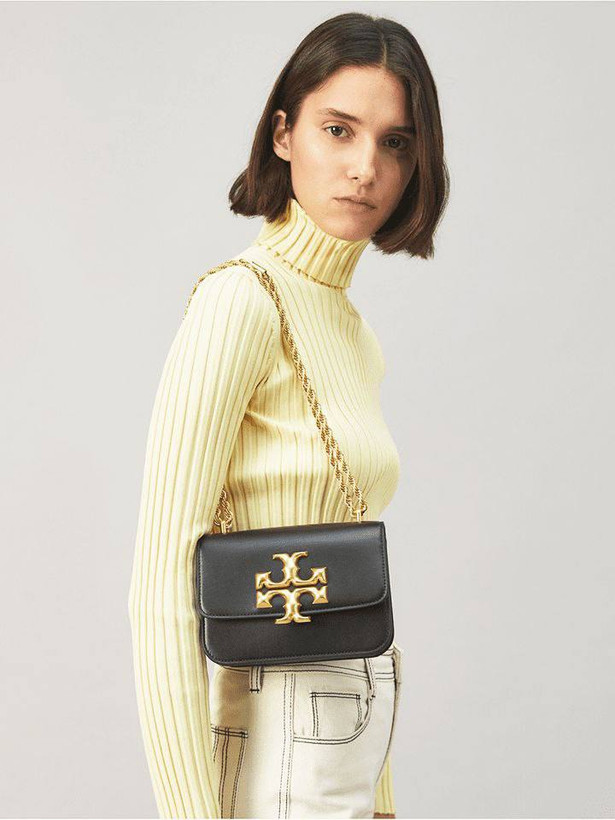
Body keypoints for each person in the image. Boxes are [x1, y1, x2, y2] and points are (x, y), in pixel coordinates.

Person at [128, 11, 448, 819]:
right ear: (282, 134)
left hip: (346, 743)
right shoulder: (239, 301)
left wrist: (378, 796)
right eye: (337, 130)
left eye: (395, 142)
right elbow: (161, 587)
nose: (365, 168)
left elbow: (352, 604)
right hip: (276, 751)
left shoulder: (349, 329)